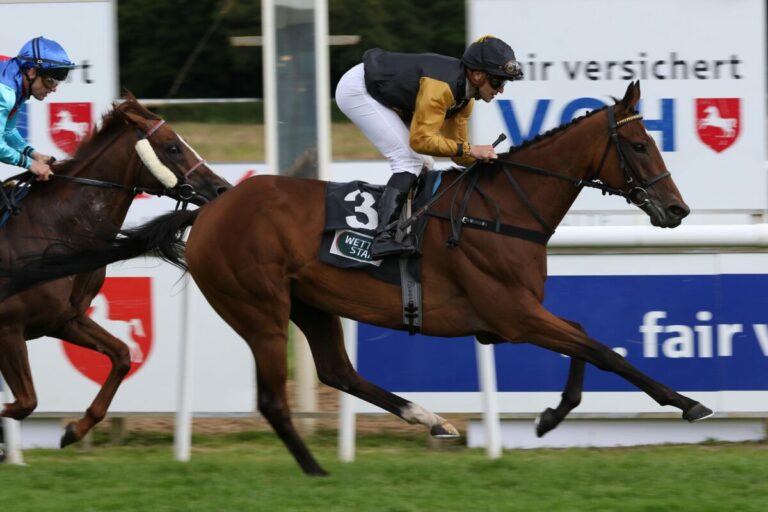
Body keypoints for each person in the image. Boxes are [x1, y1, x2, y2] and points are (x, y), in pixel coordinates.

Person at [335, 35, 523, 259]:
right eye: (497, 81)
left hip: (385, 92)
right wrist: (472, 149)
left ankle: (408, 231)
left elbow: (459, 155)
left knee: (425, 163)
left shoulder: (465, 99)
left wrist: (490, 164)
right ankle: (382, 239)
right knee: (408, 160)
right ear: (477, 75)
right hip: (359, 89)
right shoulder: (441, 88)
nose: (501, 90)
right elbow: (421, 141)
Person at [0, 36, 76, 182]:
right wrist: (30, 164)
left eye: (57, 83)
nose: (53, 89)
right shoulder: (5, 92)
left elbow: (8, 131)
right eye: (50, 81)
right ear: (31, 72)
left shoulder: (19, 83)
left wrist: (34, 155)